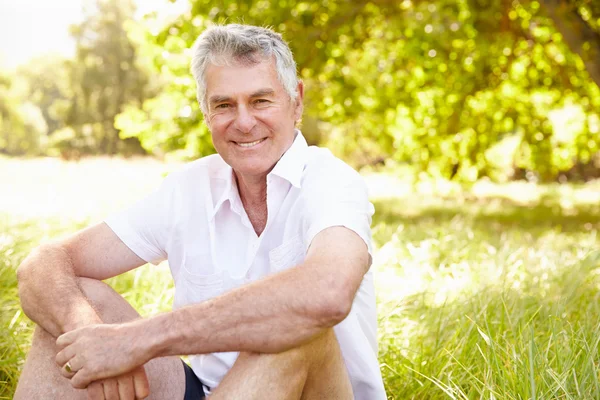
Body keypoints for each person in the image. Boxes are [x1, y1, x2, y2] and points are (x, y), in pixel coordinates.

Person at [15, 24, 386, 400]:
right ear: (206, 112)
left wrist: (137, 341)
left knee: (296, 329)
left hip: (317, 391)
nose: (243, 122)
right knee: (70, 299)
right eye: (224, 105)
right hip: (214, 393)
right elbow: (42, 265)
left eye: (260, 101)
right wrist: (88, 336)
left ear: (297, 101)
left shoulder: (332, 182)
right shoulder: (188, 188)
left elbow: (328, 293)